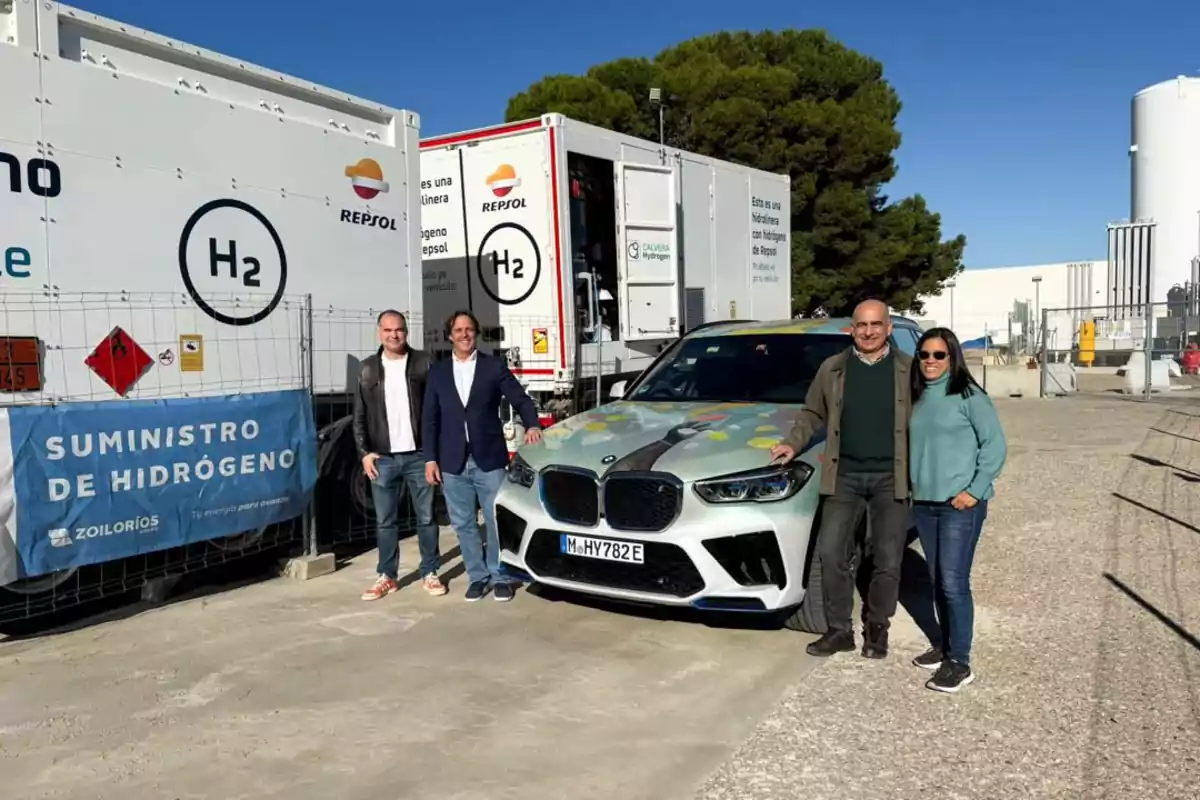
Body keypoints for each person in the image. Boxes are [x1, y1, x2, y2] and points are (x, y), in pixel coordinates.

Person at [768, 299, 913, 659]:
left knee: (887, 557)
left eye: (875, 325)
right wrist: (792, 443)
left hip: (890, 478)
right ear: (852, 329)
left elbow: (933, 419)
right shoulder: (832, 369)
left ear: (888, 328)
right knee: (832, 553)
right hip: (844, 476)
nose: (868, 332)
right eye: (861, 325)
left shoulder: (908, 371)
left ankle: (877, 629)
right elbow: (812, 413)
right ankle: (839, 631)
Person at [907, 327, 1006, 693]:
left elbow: (994, 447)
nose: (930, 362)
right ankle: (945, 647)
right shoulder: (916, 397)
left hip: (958, 506)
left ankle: (960, 661)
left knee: (953, 582)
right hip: (925, 505)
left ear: (952, 358)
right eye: (924, 355)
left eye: (939, 355)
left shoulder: (969, 396)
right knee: (938, 581)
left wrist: (975, 491)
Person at [423, 309, 543, 602]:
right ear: (450, 336)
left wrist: (533, 424)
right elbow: (429, 418)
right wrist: (430, 458)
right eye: (459, 330)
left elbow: (520, 398)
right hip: (452, 461)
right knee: (463, 523)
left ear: (475, 333)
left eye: (469, 329)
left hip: (488, 457)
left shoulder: (493, 367)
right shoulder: (438, 373)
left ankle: (501, 576)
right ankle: (478, 577)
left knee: (494, 519)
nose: (464, 335)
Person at [353, 310, 444, 600]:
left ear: (406, 331)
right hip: (383, 459)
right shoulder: (367, 368)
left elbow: (436, 411)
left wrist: (433, 453)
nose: (394, 335)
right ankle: (387, 576)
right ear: (379, 333)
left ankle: (430, 571)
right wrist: (364, 453)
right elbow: (359, 416)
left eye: (399, 329)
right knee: (385, 521)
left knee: (427, 518)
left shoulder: (424, 362)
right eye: (388, 330)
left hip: (419, 456)